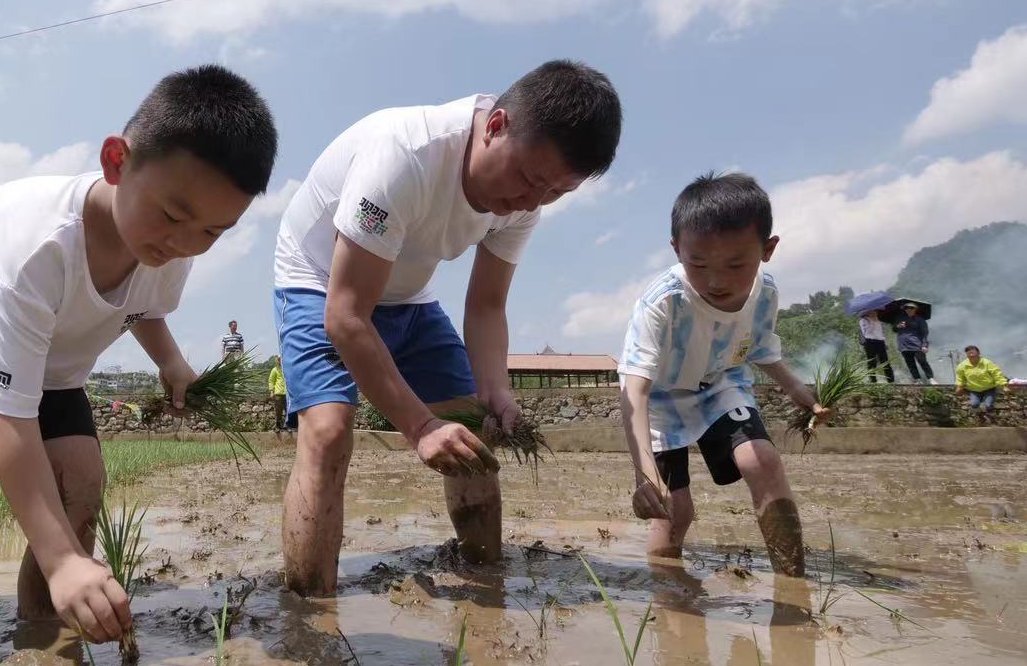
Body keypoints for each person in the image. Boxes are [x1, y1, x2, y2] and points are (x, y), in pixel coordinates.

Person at [0, 65, 277, 645]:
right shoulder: (32, 249)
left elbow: (143, 307)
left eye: (212, 232)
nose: (183, 243)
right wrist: (62, 559)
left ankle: (42, 642)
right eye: (173, 215)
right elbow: (10, 419)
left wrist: (169, 361)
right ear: (116, 162)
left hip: (44, 352)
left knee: (80, 480)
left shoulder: (171, 250)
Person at [273, 60, 622, 595]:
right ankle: (309, 608)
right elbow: (346, 316)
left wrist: (496, 390)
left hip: (409, 292)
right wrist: (419, 426)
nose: (531, 202)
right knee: (327, 432)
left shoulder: (526, 200)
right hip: (320, 279)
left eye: (554, 194)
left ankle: (487, 583)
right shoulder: (402, 158)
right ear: (496, 124)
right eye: (529, 180)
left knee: (474, 430)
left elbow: (486, 306)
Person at [619, 172, 831, 578]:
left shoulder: (764, 292)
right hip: (660, 400)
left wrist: (793, 385)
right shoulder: (662, 302)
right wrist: (645, 475)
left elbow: (759, 346)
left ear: (768, 250)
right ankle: (671, 598)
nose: (716, 281)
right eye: (698, 264)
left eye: (737, 264)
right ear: (677, 249)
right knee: (674, 509)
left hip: (719, 383)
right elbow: (636, 391)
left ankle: (792, 580)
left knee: (762, 459)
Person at [955, 344, 1010, 417]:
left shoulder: (987, 363)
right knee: (974, 404)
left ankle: (990, 416)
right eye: (969, 354)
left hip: (989, 388)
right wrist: (959, 386)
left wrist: (1003, 385)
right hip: (974, 390)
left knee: (988, 405)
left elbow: (997, 374)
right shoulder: (962, 365)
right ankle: (981, 417)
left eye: (973, 353)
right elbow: (960, 377)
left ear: (978, 353)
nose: (971, 355)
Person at [891, 301, 934, 383]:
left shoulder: (920, 320)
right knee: (910, 363)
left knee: (922, 361)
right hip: (904, 345)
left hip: (917, 344)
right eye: (907, 308)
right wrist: (898, 326)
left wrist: (924, 345)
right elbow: (894, 329)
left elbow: (924, 333)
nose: (909, 309)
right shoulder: (900, 319)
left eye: (912, 308)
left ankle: (931, 378)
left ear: (915, 309)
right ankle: (917, 379)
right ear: (905, 309)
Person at [858, 309, 895, 383]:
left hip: (880, 342)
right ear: (868, 312)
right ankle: (873, 380)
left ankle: (891, 380)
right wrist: (873, 322)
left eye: (876, 311)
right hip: (870, 342)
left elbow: (880, 333)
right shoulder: (863, 320)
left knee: (885, 361)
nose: (876, 313)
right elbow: (866, 332)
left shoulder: (878, 320)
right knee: (871, 362)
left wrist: (885, 343)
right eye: (874, 311)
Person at [267, 354, 288, 432]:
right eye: (279, 359)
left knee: (288, 410)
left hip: (287, 393)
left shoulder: (287, 369)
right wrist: (271, 391)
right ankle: (278, 426)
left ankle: (287, 426)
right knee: (278, 411)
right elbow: (271, 381)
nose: (280, 360)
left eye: (281, 359)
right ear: (277, 361)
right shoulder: (274, 370)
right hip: (278, 393)